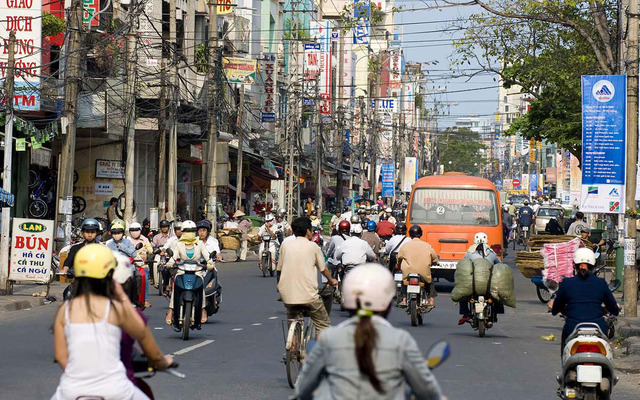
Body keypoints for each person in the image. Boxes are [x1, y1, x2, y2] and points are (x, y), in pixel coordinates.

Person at [294, 263, 444, 400]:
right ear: (388, 305)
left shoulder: (329, 338)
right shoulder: (400, 340)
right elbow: (427, 390)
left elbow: (304, 388)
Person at [51, 244, 155, 400]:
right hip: (115, 390)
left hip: (71, 390)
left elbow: (60, 356)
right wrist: (122, 296)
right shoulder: (116, 307)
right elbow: (141, 331)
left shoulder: (65, 310)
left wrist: (81, 379)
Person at [551, 248, 619, 353]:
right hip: (598, 329)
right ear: (593, 265)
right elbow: (614, 309)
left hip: (572, 329)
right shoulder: (600, 283)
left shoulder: (566, 283)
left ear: (574, 265)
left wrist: (557, 307)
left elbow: (555, 309)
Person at [277, 217, 338, 333]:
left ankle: (293, 345)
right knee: (323, 325)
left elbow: (279, 270)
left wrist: (280, 289)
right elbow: (323, 269)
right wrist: (331, 280)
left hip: (288, 296)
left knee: (292, 317)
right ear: (308, 231)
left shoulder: (285, 246)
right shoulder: (313, 246)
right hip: (309, 296)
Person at [165, 220, 212, 325]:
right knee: (175, 287)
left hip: (197, 271)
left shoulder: (199, 244)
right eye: (187, 231)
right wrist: (170, 263)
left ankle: (203, 310)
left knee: (201, 287)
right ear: (182, 232)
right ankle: (171, 310)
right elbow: (174, 256)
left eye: (192, 231)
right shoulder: (179, 244)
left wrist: (210, 263)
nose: (189, 233)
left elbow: (207, 256)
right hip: (182, 270)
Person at [457, 232, 502, 325]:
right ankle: (495, 314)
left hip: (473, 284)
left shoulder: (469, 253)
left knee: (462, 294)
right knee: (498, 295)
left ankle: (465, 314)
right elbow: (500, 265)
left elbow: (463, 264)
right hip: (489, 285)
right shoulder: (492, 253)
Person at [397, 225, 438, 308]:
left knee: (404, 281)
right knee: (430, 281)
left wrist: (398, 263)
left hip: (408, 271)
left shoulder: (405, 245)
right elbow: (434, 257)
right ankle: (431, 300)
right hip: (423, 272)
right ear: (420, 234)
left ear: (410, 234)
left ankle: (404, 299)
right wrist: (435, 262)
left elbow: (399, 257)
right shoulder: (426, 245)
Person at [128, 222, 154, 308]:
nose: (134, 232)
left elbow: (150, 250)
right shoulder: (127, 240)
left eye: (136, 230)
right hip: (130, 264)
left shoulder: (145, 240)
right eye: (132, 230)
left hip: (142, 265)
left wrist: (147, 251)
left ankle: (145, 299)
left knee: (145, 278)